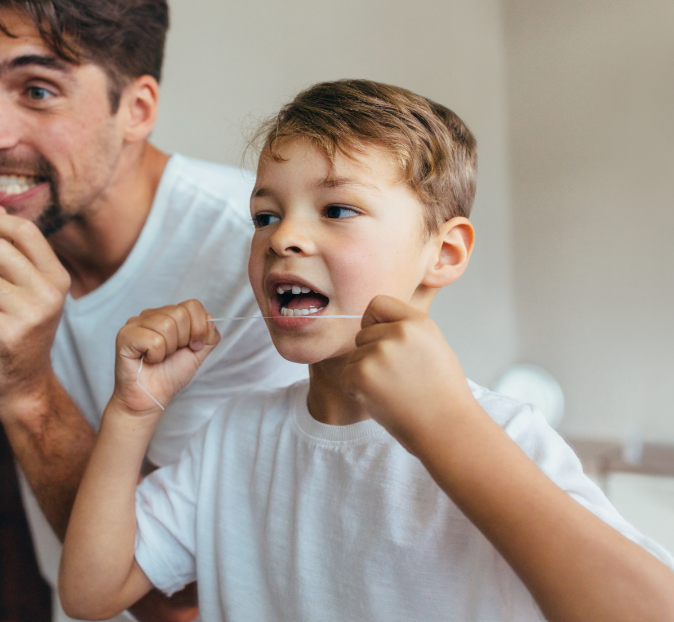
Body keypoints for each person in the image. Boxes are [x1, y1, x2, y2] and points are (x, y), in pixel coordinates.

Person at [58, 79, 674, 621]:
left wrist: (449, 427)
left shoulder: (504, 433)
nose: (285, 239)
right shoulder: (234, 438)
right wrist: (131, 414)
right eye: (265, 216)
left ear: (445, 253)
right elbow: (91, 592)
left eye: (337, 208)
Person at [0, 0, 305, 621]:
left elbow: (185, 603)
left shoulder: (259, 259)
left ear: (136, 108)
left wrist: (27, 392)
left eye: (36, 90)